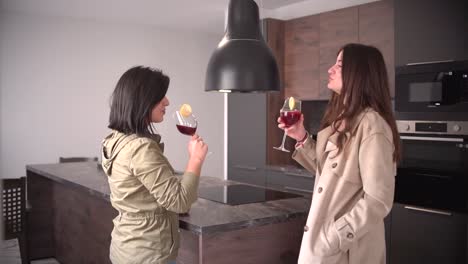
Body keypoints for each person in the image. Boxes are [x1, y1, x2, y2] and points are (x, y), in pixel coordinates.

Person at [278, 43, 400, 264]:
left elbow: (378, 200)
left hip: (346, 252)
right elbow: (328, 171)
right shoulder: (344, 120)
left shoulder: (372, 126)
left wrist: (333, 237)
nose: (330, 69)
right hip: (328, 248)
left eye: (339, 64)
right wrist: (301, 137)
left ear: (359, 74)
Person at [101, 66, 208, 264]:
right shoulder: (141, 148)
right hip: (149, 254)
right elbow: (180, 201)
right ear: (143, 100)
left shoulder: (115, 139)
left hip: (127, 247)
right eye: (161, 96)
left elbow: (148, 190)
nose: (167, 101)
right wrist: (196, 159)